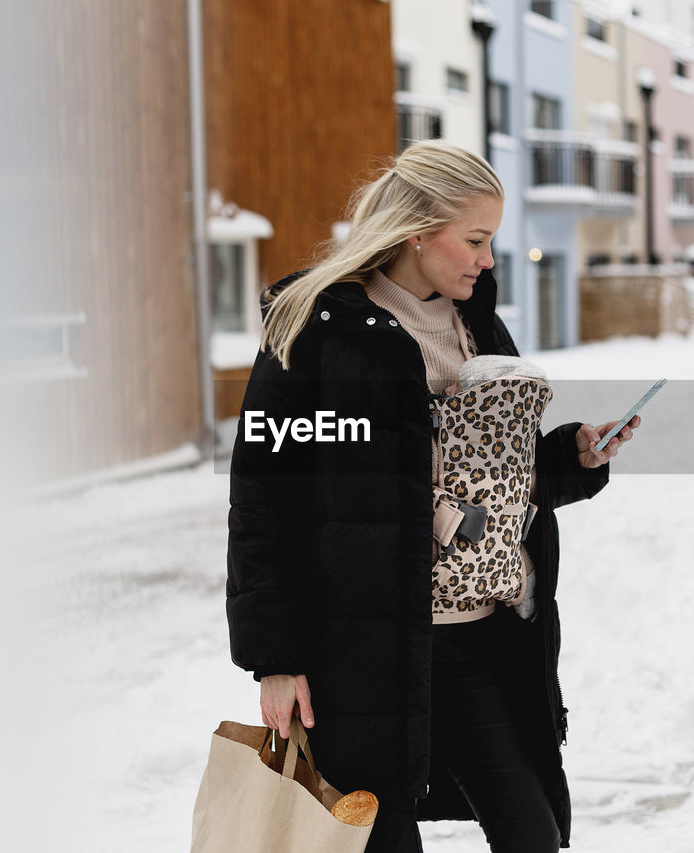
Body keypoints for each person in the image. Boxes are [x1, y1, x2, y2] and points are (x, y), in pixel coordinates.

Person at [226, 140, 639, 853]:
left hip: (482, 643)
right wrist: (275, 657)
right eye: (474, 239)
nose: (486, 259)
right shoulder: (315, 328)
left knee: (531, 833)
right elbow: (264, 503)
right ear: (418, 229)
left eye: (491, 242)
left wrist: (570, 456)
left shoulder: (475, 323)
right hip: (363, 657)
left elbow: (492, 476)